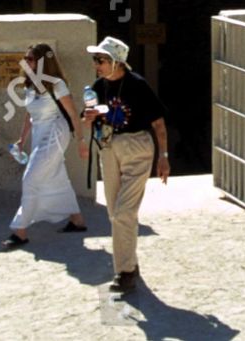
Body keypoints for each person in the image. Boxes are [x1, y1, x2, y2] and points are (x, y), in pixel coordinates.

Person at [79, 37, 168, 295]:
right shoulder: (98, 86)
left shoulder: (137, 85)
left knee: (123, 212)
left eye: (101, 60)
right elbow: (88, 117)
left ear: (116, 61)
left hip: (137, 147)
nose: (96, 64)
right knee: (115, 213)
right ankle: (130, 264)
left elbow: (159, 124)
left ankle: (125, 272)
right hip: (108, 147)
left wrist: (163, 156)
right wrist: (89, 118)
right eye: (95, 60)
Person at [5, 43, 86, 248]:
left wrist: (81, 141)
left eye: (30, 59)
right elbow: (29, 114)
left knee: (31, 177)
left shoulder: (56, 84)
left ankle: (20, 231)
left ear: (42, 62)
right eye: (26, 58)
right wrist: (22, 140)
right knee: (56, 176)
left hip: (56, 133)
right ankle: (77, 220)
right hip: (40, 134)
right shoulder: (31, 84)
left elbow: (73, 114)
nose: (26, 62)